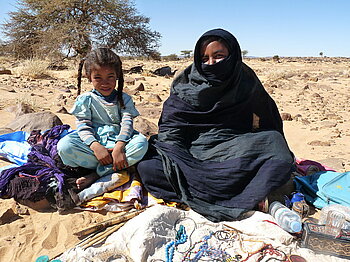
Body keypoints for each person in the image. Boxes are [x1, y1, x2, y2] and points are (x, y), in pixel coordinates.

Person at [137, 29, 295, 222]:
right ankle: (249, 196)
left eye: (218, 56)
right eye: (204, 59)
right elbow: (171, 130)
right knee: (149, 167)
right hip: (192, 149)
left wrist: (261, 146)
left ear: (233, 55)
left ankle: (214, 192)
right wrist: (184, 162)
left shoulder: (243, 79)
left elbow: (268, 118)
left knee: (275, 145)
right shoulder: (187, 83)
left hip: (233, 144)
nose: (210, 64)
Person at [57, 48, 148, 190]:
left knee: (141, 144)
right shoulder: (85, 99)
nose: (105, 83)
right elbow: (83, 126)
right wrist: (95, 146)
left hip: (120, 142)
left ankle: (96, 174)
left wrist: (119, 147)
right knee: (64, 146)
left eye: (110, 77)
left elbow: (127, 123)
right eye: (98, 78)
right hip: (94, 143)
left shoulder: (124, 99)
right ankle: (116, 167)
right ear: (89, 77)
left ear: (117, 75)